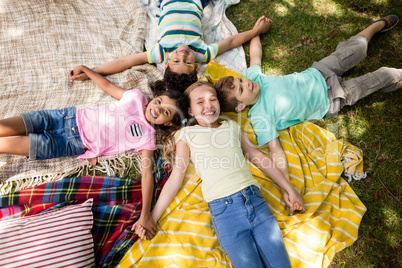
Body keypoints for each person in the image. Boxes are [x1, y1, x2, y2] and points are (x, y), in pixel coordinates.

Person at [133, 81, 305, 267]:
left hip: (256, 202)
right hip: (225, 214)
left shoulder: (231, 126)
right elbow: (175, 179)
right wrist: (152, 217)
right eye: (200, 102)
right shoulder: (187, 135)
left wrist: (288, 187)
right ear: (190, 111)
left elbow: (257, 156)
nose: (208, 104)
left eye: (212, 99)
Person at [0, 65, 188, 234]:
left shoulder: (148, 137)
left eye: (165, 112)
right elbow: (108, 86)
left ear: (169, 122)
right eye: (159, 102)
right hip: (64, 117)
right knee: (4, 127)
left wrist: (145, 214)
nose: (157, 109)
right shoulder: (136, 97)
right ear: (156, 97)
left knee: (5, 145)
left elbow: (147, 174)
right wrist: (87, 71)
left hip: (69, 143)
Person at [215, 15, 401, 181]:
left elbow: (255, 56)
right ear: (240, 106)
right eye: (241, 89)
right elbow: (275, 150)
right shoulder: (259, 118)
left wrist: (256, 32)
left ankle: (376, 26)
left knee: (357, 49)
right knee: (380, 76)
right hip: (331, 99)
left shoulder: (254, 78)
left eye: (241, 79)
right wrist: (285, 184)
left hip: (320, 71)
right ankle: (394, 79)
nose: (246, 83)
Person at [69, 0, 273, 92]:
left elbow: (125, 62)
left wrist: (92, 72)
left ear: (167, 64)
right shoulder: (203, 53)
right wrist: (256, 32)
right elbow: (231, 42)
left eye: (177, 60)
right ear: (195, 67)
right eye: (187, 61)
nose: (183, 53)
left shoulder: (161, 52)